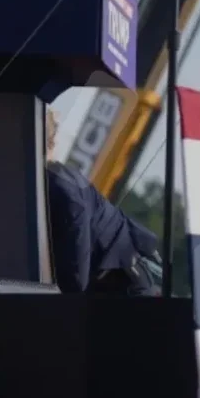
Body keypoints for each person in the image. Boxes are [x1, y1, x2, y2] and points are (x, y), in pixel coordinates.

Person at [44, 111, 161, 295]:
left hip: (122, 280)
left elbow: (75, 278)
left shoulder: (62, 188)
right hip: (102, 277)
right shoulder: (50, 182)